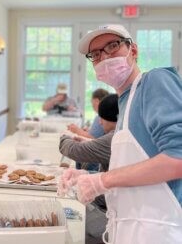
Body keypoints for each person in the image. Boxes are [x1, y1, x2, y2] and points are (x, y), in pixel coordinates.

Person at [59, 24, 182, 243]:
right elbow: (141, 166)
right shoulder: (125, 102)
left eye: (112, 46)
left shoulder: (154, 81)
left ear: (133, 51)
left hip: (158, 233)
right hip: (130, 229)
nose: (104, 58)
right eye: (95, 54)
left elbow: (177, 158)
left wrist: (103, 180)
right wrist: (89, 178)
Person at [58, 94, 118, 242]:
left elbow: (74, 151)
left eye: (102, 118)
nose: (99, 121)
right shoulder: (119, 134)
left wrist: (64, 137)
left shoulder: (115, 138)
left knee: (74, 224)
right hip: (112, 203)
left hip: (112, 210)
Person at [67, 88, 109, 171]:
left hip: (96, 161)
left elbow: (92, 138)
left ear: (96, 101)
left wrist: (77, 130)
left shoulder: (101, 116)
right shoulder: (103, 115)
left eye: (92, 103)